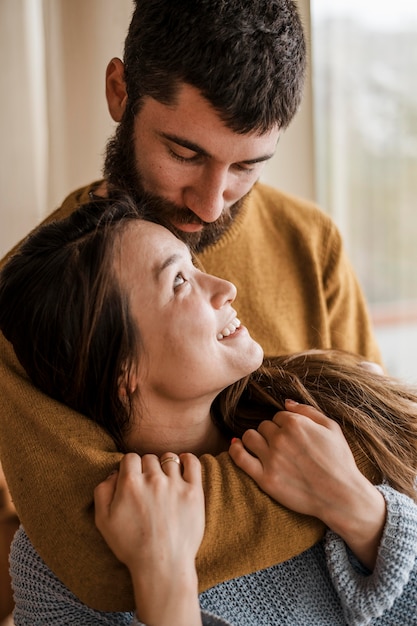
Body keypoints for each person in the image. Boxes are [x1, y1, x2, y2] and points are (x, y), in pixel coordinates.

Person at [0, 0, 384, 612]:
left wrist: (358, 498)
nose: (210, 204)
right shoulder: (28, 304)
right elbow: (99, 557)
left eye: (247, 167)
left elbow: (385, 456)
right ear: (120, 92)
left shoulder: (312, 244)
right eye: (185, 154)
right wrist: (338, 493)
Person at [0, 196, 416, 625]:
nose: (225, 287)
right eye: (180, 281)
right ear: (122, 369)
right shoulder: (55, 569)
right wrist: (165, 580)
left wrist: (363, 512)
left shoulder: (331, 422)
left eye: (194, 265)